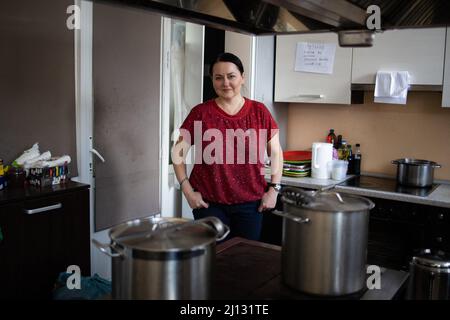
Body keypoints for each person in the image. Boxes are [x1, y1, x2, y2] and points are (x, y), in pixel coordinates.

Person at [172, 52, 283, 241]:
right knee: (214, 262)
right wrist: (188, 191)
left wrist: (274, 189)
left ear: (242, 77)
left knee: (245, 260)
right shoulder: (200, 113)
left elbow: (276, 153)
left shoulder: (259, 112)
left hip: (251, 204)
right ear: (212, 81)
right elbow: (177, 153)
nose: (225, 83)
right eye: (218, 78)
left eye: (231, 76)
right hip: (208, 205)